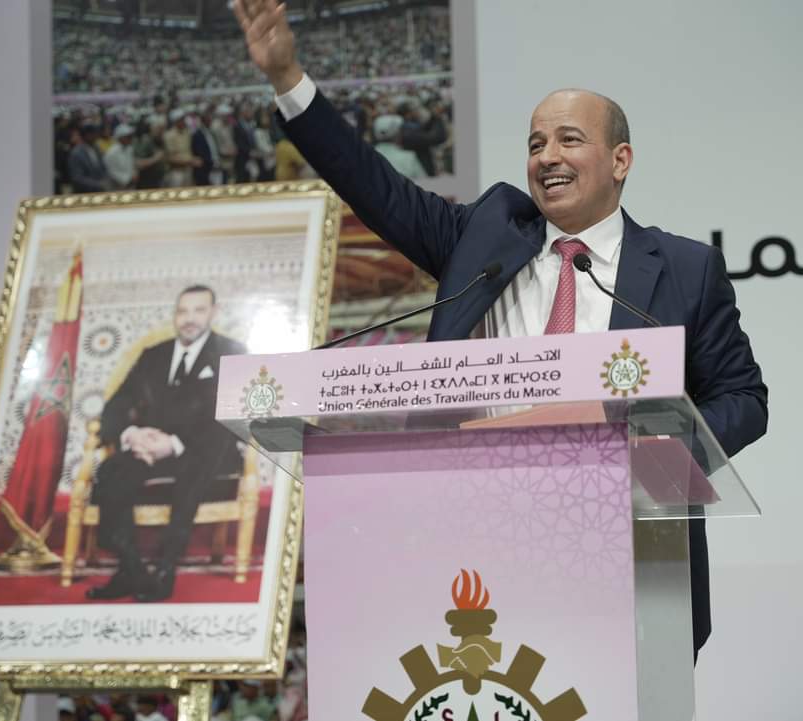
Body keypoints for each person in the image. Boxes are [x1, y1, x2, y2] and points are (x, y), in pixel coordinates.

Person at [232, 0, 768, 659]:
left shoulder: (685, 269)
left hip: (630, 557)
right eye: (536, 144)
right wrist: (287, 78)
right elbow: (375, 186)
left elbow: (744, 399)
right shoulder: (483, 240)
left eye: (569, 139)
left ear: (620, 159)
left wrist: (653, 461)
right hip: (475, 551)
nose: (547, 157)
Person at [86, 285, 246, 603]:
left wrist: (172, 443)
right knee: (112, 469)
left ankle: (165, 567)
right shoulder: (153, 355)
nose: (189, 319)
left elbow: (231, 417)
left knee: (196, 463)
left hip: (203, 451)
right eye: (182, 311)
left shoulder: (232, 353)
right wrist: (133, 435)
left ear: (213, 313)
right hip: (150, 449)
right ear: (175, 315)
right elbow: (116, 406)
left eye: (199, 310)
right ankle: (130, 567)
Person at [68, 123, 111, 192]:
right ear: (86, 135)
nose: (96, 136)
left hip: (99, 189)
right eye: (93, 134)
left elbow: (103, 167)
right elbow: (77, 178)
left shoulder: (96, 148)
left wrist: (105, 180)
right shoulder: (76, 153)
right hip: (84, 193)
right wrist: (98, 184)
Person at [104, 124, 138, 189]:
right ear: (121, 138)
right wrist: (128, 179)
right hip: (117, 187)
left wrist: (134, 174)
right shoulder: (111, 153)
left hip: (131, 185)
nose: (131, 139)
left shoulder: (129, 148)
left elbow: (132, 164)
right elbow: (112, 172)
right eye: (128, 137)